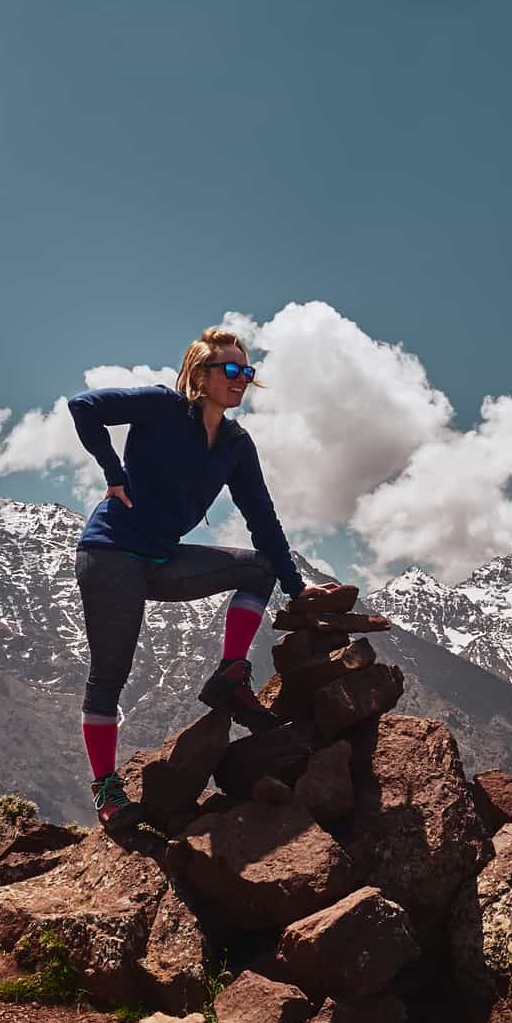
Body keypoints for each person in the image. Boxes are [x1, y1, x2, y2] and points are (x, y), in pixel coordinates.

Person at [69, 326, 344, 832]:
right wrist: (113, 472)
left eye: (248, 371)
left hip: (162, 559)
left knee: (256, 567)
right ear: (200, 374)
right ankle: (107, 790)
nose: (241, 380)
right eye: (231, 370)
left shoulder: (236, 445)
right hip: (110, 556)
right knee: (111, 674)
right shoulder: (160, 406)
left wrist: (297, 586)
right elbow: (83, 406)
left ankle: (230, 675)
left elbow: (262, 519)